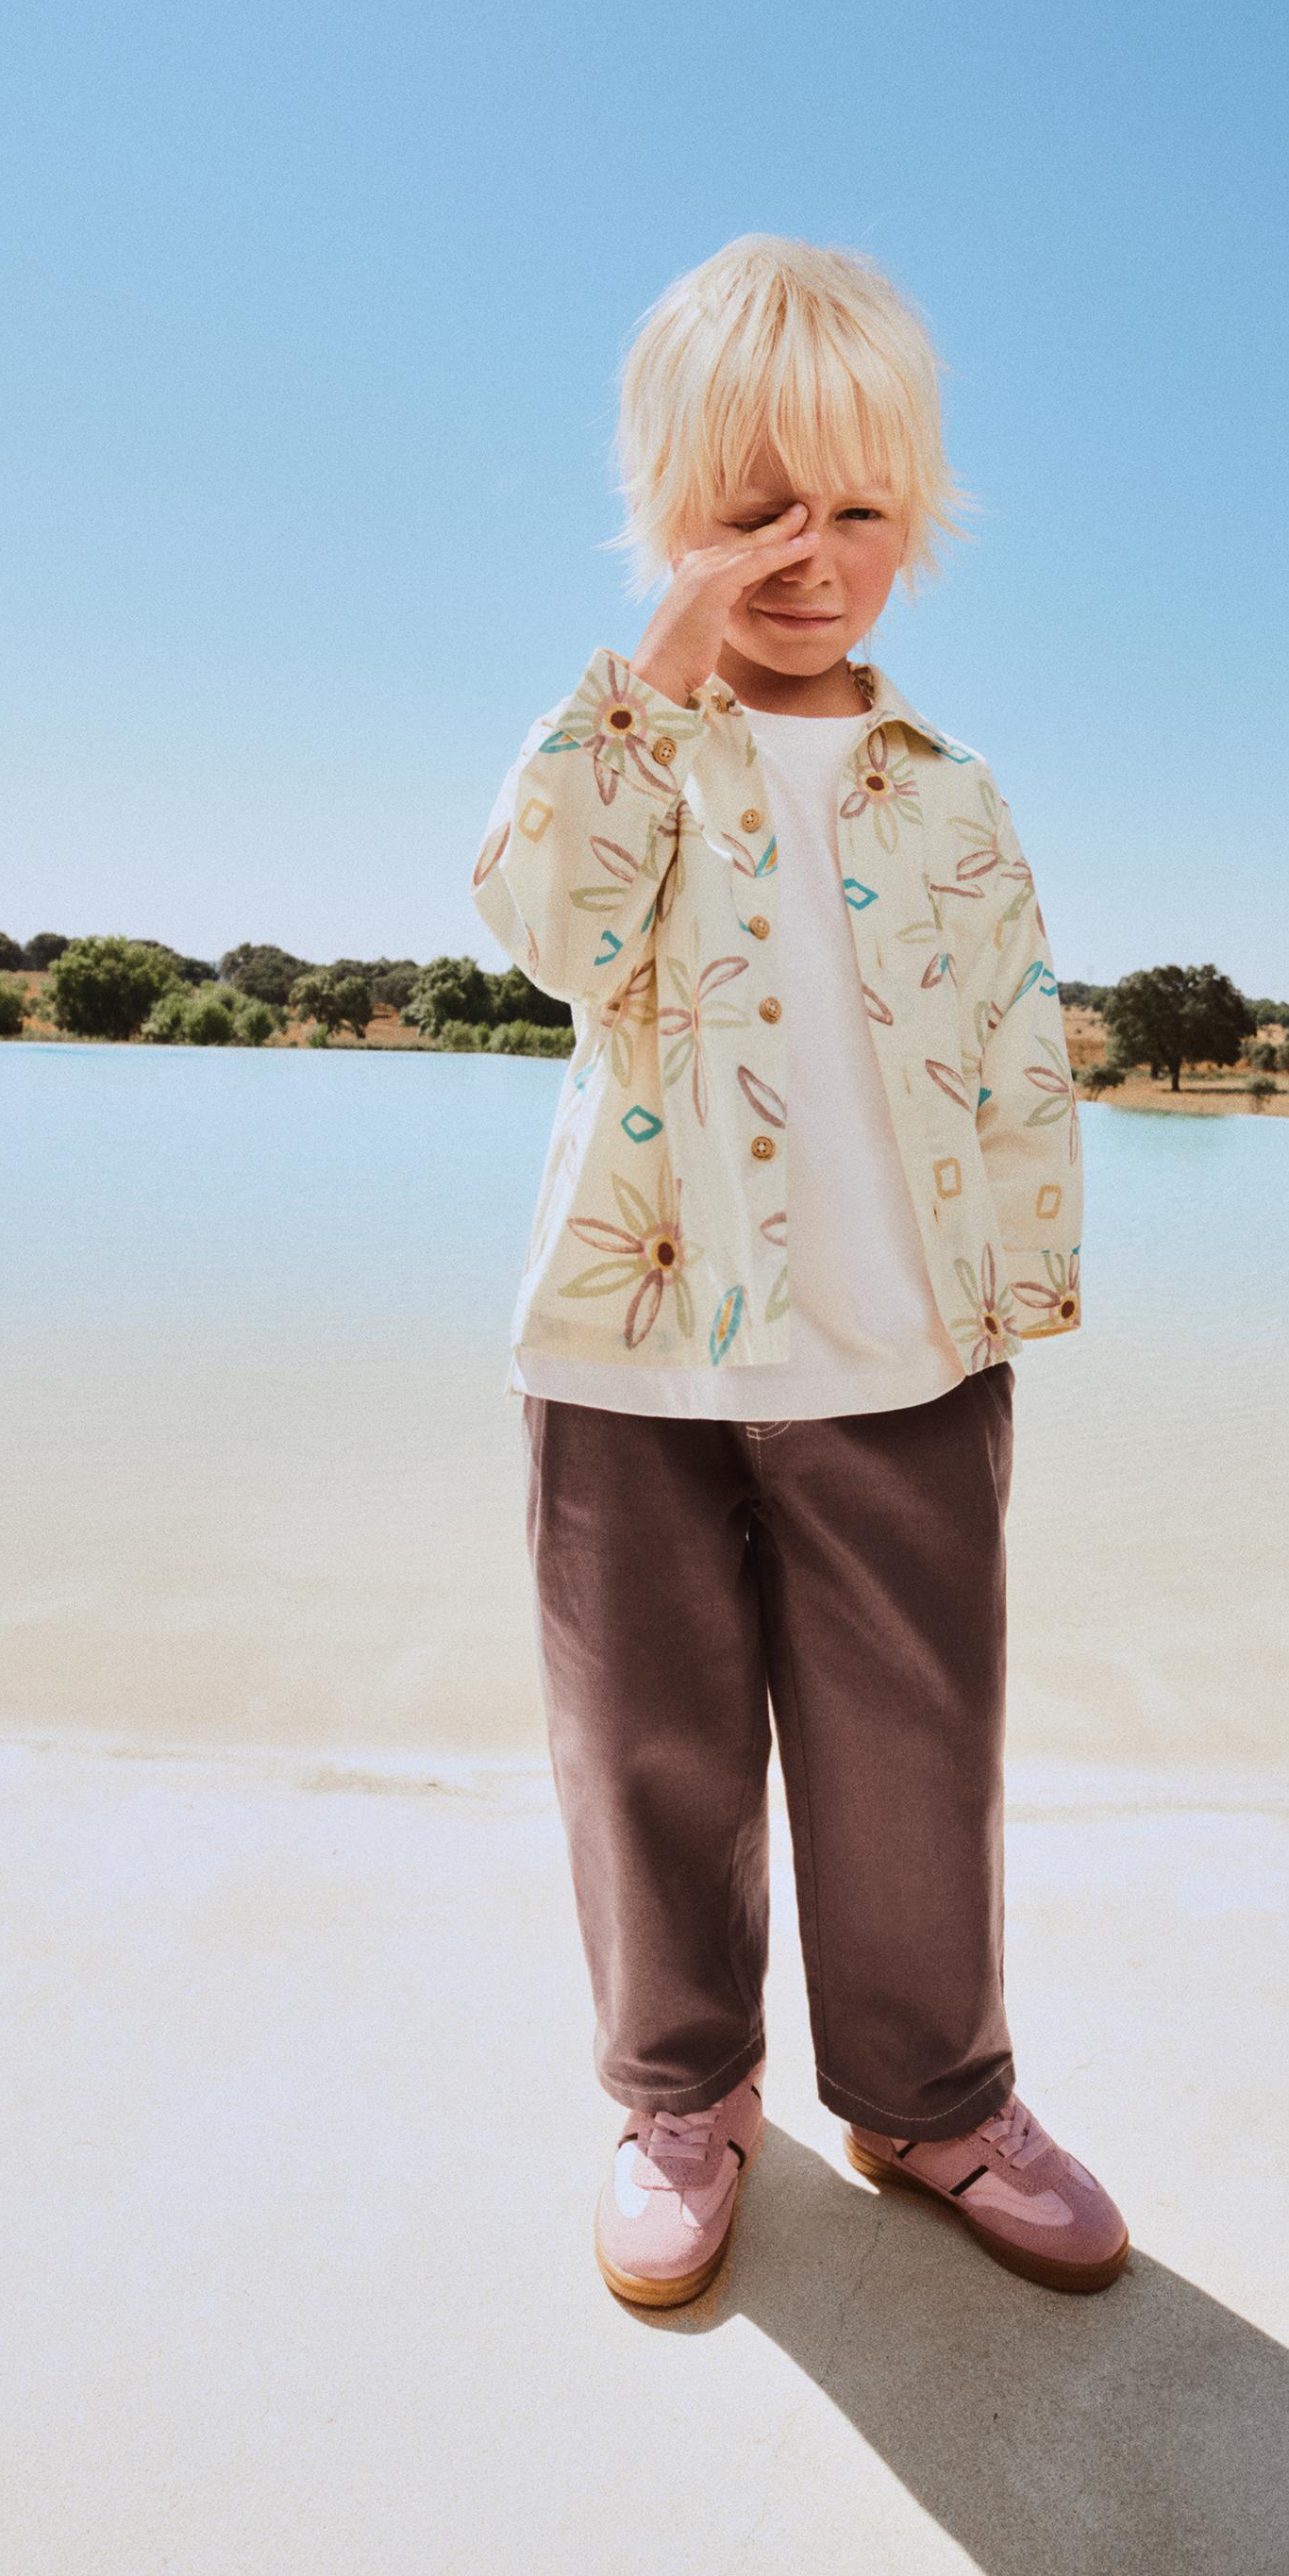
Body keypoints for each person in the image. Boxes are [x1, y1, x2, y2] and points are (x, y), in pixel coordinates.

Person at [472, 233, 1126, 2310]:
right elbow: (539, 926)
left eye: (852, 511)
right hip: (629, 1360)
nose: (806, 556)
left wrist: (1010, 1300)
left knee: (914, 1752)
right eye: (756, 515)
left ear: (913, 521)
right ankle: (682, 2096)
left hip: (905, 1366)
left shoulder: (955, 793)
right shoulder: (633, 751)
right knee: (643, 1752)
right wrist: (645, 679)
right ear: (674, 521)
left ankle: (933, 2097)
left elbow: (1025, 1058)